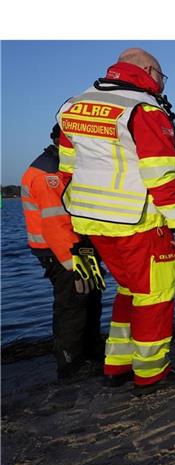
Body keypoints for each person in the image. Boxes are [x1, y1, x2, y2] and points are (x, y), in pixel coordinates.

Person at [56, 48, 175, 395]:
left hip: (91, 221)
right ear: (148, 70)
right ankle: (151, 373)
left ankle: (116, 365)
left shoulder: (73, 106)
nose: (162, 84)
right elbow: (160, 172)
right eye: (162, 76)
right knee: (154, 296)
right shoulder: (142, 109)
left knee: (130, 290)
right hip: (137, 221)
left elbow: (67, 167)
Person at [21, 124, 104, 380]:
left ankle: (92, 352)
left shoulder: (64, 167)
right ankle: (71, 363)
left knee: (91, 299)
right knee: (72, 304)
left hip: (79, 246)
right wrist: (72, 262)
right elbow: (55, 223)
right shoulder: (48, 173)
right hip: (62, 251)